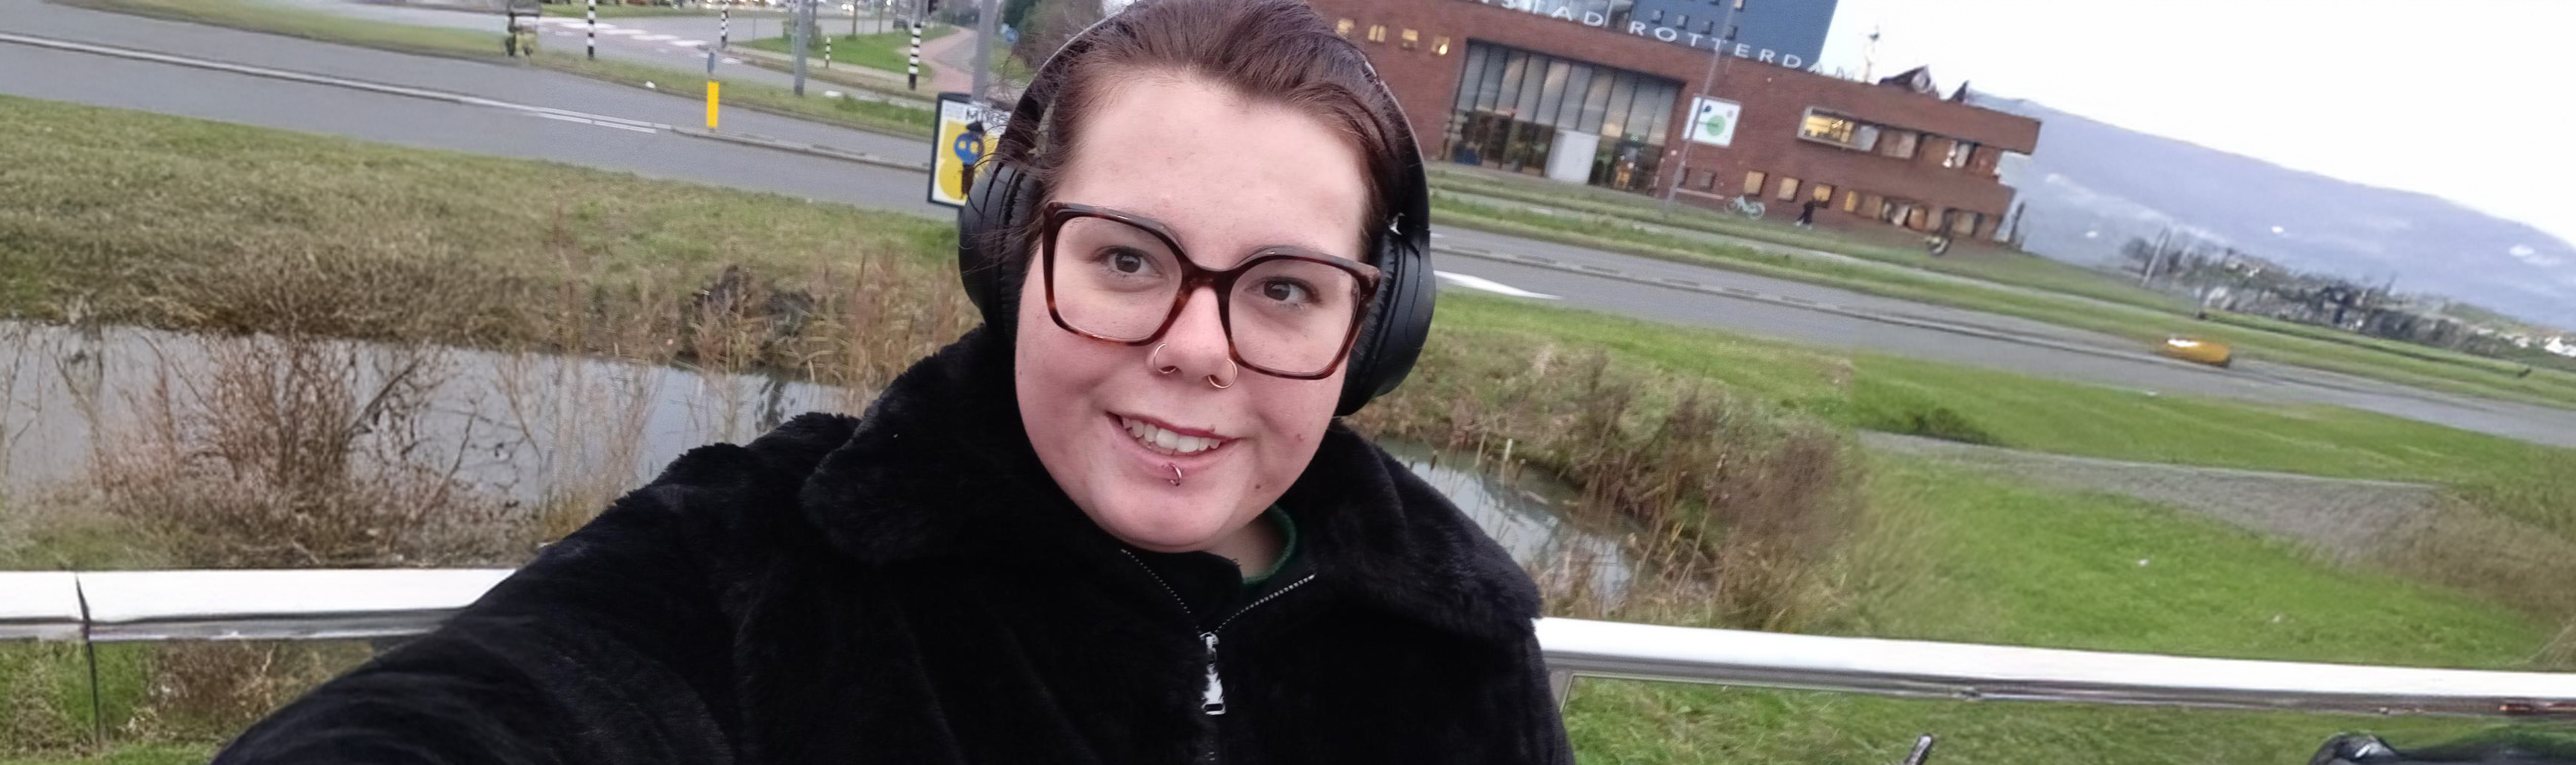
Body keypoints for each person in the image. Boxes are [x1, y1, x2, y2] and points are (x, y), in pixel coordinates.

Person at [208, 0, 1575, 762]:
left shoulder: (1458, 641)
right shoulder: (769, 554)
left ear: (1372, 330)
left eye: (1283, 288)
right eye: (1125, 258)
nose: (1196, 346)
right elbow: (493, 706)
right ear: (1012, 253)